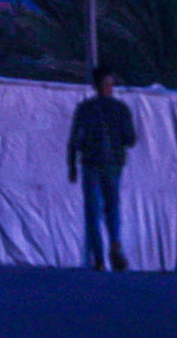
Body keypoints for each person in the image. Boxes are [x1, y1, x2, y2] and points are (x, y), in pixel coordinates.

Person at [68, 65, 137, 272]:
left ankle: (98, 259)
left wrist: (72, 165)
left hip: (90, 164)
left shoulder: (85, 109)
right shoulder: (121, 109)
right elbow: (131, 139)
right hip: (114, 165)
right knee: (112, 207)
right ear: (110, 85)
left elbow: (74, 140)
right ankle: (115, 242)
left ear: (94, 85)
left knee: (92, 212)